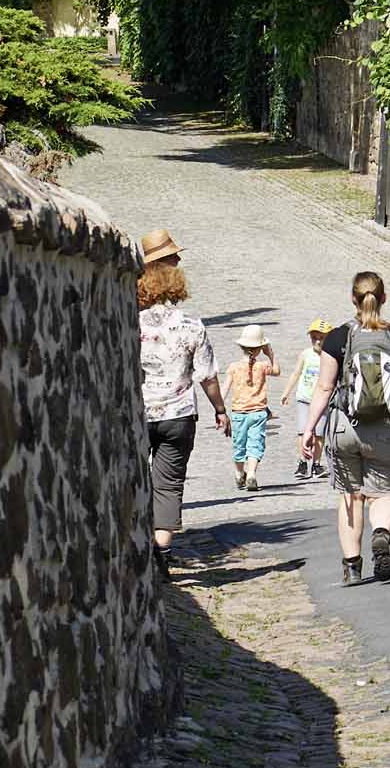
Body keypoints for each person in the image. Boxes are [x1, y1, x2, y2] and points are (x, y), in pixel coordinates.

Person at [299, 272, 390, 588]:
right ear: (383, 299)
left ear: (353, 299)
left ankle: (352, 567)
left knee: (351, 496)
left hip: (345, 428)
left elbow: (324, 387)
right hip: (385, 428)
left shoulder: (336, 338)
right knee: (383, 493)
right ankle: (381, 534)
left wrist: (309, 429)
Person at [137, 227, 229, 579]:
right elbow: (207, 376)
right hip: (178, 415)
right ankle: (162, 553)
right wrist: (220, 409)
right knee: (169, 484)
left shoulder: (129, 323)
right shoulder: (191, 325)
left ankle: (138, 545)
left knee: (136, 477)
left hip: (140, 412)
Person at [224, 324, 278, 492]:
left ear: (241, 346)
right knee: (255, 444)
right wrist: (271, 354)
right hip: (258, 413)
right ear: (260, 348)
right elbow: (277, 371)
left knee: (238, 445)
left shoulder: (233, 367)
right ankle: (252, 474)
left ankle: (240, 473)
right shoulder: (262, 366)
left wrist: (219, 408)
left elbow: (224, 389)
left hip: (238, 413)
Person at [280, 318, 334, 482]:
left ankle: (316, 464)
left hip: (322, 401)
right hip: (304, 398)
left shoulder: (330, 357)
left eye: (321, 338)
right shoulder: (306, 354)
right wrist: (287, 391)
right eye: (314, 338)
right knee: (302, 431)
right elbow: (296, 373)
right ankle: (303, 462)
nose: (317, 341)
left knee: (318, 434)